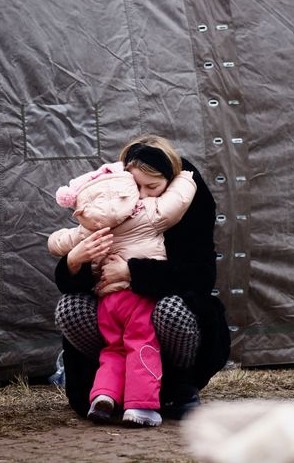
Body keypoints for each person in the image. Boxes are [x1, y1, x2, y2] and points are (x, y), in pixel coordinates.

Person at [53, 134, 231, 420]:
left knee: (173, 312)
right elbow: (74, 261)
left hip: (159, 308)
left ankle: (176, 387)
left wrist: (132, 271)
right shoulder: (115, 201)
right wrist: (75, 261)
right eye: (137, 186)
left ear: (171, 183)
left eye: (153, 187)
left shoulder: (184, 207)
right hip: (113, 309)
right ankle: (108, 386)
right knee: (70, 308)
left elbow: (200, 276)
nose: (145, 195)